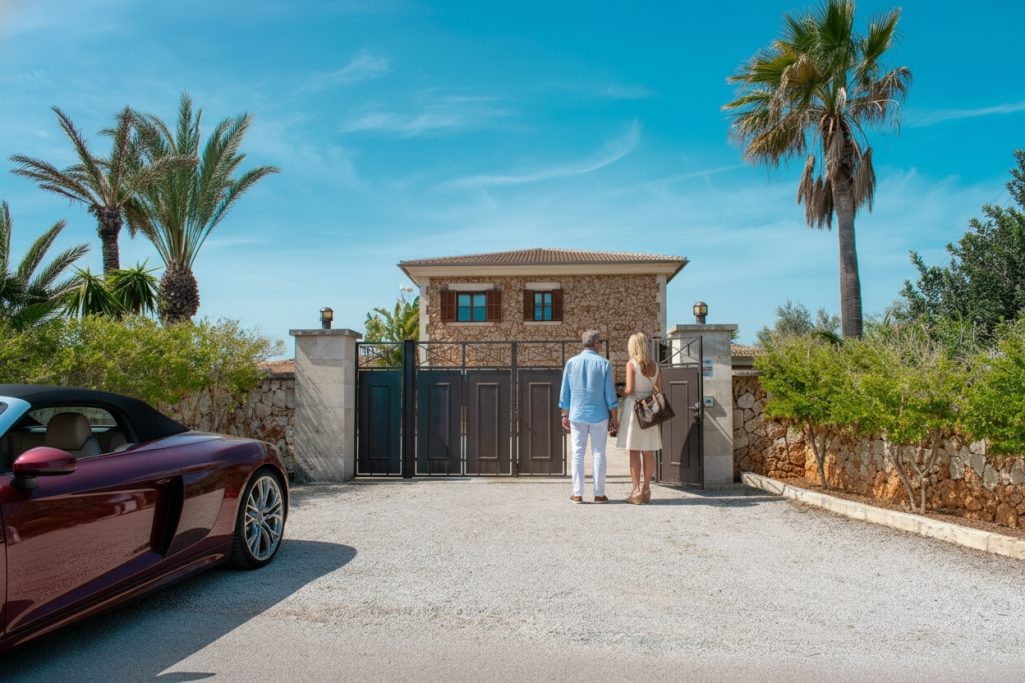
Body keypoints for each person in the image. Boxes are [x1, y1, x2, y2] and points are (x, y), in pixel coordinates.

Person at [559, 329, 619, 504]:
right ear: (596, 344)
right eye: (600, 342)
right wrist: (614, 417)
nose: (601, 344)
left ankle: (577, 493)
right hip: (599, 414)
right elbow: (610, 395)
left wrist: (564, 414)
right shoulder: (604, 364)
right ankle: (599, 494)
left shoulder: (571, 363)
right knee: (599, 453)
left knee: (577, 453)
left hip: (577, 414)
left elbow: (565, 392)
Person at [617, 332, 662, 504]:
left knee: (634, 451)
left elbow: (629, 390)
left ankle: (635, 492)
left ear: (633, 346)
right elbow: (659, 390)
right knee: (648, 451)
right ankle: (646, 490)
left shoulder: (631, 364)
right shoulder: (655, 366)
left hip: (635, 409)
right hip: (650, 409)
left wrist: (620, 391)